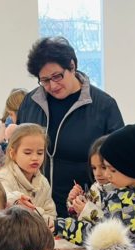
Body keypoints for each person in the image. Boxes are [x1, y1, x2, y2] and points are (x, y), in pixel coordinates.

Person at [17, 36, 124, 216]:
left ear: (72, 66)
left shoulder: (103, 106)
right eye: (44, 80)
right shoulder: (30, 102)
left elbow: (119, 162)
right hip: (35, 209)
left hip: (82, 211)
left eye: (57, 76)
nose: (52, 85)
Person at [0, 124, 57, 228]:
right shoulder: (3, 177)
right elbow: (3, 201)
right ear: (12, 153)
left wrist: (50, 223)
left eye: (40, 153)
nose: (35, 158)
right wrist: (16, 201)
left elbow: (51, 215)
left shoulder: (43, 182)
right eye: (28, 153)